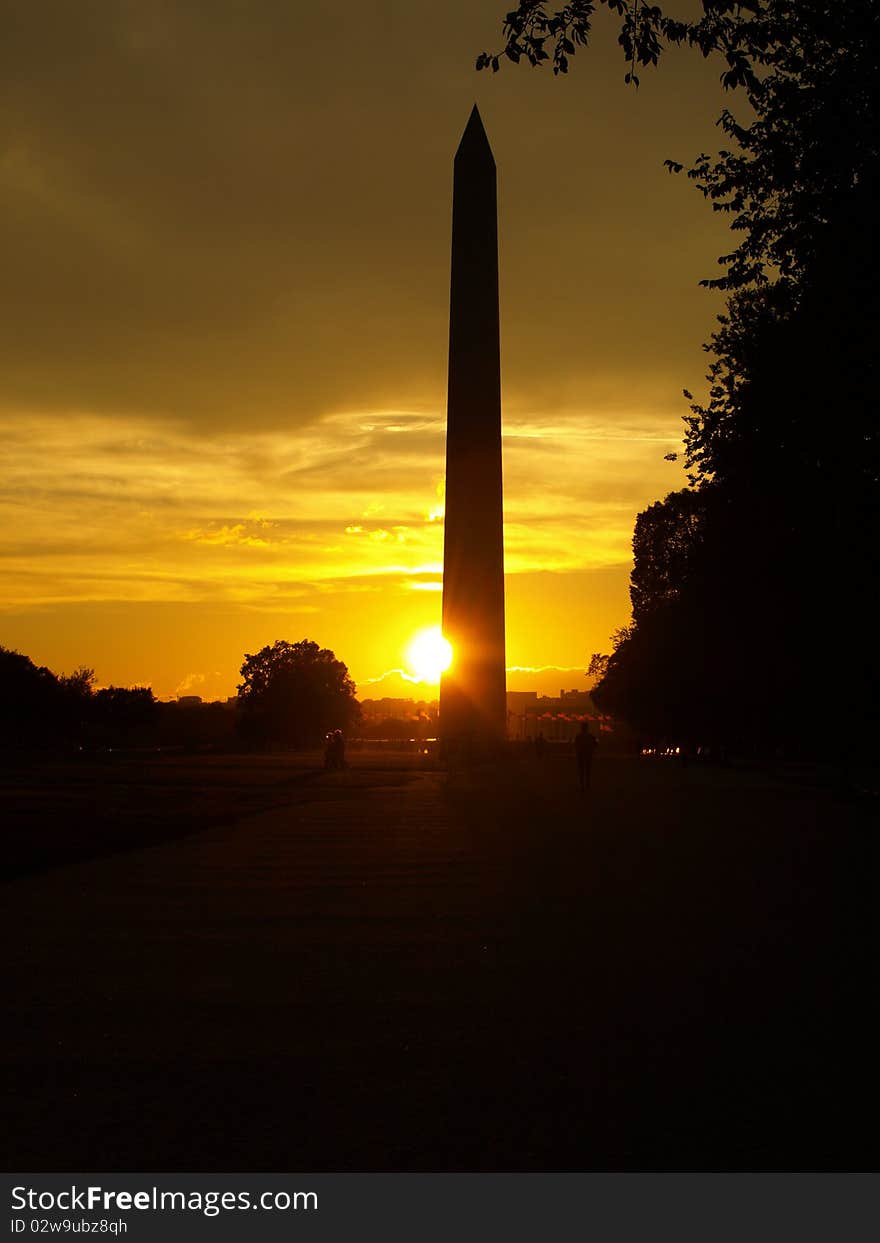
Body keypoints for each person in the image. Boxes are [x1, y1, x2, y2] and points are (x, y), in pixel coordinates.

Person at [574, 721, 598, 793]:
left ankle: (582, 785)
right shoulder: (590, 736)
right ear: (587, 728)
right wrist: (591, 750)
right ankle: (587, 784)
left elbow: (575, 745)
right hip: (588, 755)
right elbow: (596, 744)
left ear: (581, 728)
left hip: (581, 755)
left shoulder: (578, 736)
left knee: (581, 771)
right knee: (587, 770)